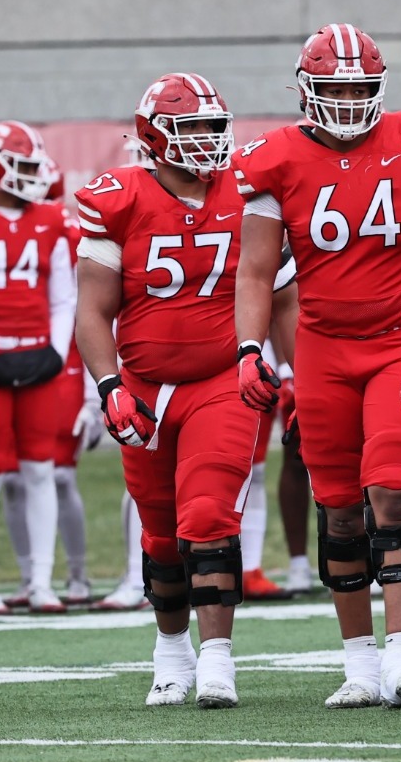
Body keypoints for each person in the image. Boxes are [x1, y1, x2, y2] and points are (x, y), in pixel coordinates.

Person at [233, 24, 401, 709]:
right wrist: (250, 349)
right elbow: (256, 270)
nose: (346, 100)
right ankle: (360, 663)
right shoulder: (274, 158)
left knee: (395, 492)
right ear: (306, 89)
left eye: (359, 87)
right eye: (333, 88)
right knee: (337, 510)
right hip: (323, 348)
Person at [75, 73, 262, 706]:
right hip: (145, 384)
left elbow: (280, 288)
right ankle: (172, 651)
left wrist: (283, 368)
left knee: (209, 515)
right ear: (154, 136)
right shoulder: (120, 198)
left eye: (213, 126)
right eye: (191, 127)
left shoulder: (247, 189)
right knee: (159, 533)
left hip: (221, 378)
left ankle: (217, 659)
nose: (207, 139)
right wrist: (108, 387)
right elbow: (92, 310)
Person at [0, 121, 73, 614]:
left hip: (38, 356)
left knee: (41, 468)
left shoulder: (52, 221)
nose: (29, 176)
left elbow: (63, 298)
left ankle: (40, 581)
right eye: (19, 166)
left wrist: (56, 352)